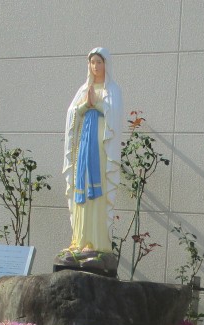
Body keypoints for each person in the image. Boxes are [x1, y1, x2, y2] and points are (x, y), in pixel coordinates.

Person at [63, 47, 123, 254]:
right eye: (92, 62)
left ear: (106, 64)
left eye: (99, 62)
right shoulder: (83, 89)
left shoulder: (112, 90)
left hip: (101, 148)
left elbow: (114, 115)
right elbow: (72, 114)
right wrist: (84, 106)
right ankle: (80, 240)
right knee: (82, 185)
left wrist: (96, 104)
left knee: (98, 190)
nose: (95, 66)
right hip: (83, 146)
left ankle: (97, 243)